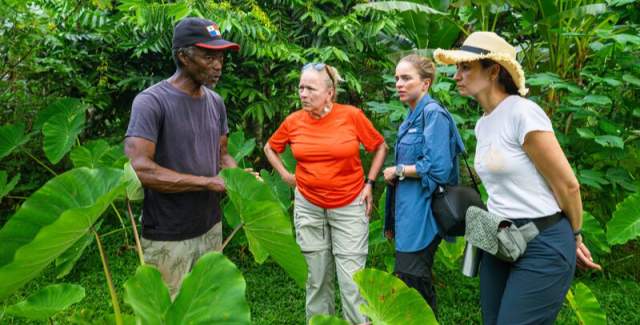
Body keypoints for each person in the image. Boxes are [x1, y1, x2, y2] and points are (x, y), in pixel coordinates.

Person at [434, 31, 602, 324]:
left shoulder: (523, 113)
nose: (457, 75)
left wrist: (574, 235)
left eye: (465, 67)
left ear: (494, 70)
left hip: (542, 242)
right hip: (500, 238)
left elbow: (568, 185)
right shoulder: (483, 124)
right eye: (456, 68)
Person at [124, 17, 240, 297]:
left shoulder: (215, 102)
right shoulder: (151, 102)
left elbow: (222, 156)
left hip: (210, 225)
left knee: (207, 308)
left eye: (221, 56)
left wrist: (239, 179)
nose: (218, 64)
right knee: (170, 312)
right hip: (168, 232)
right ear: (183, 57)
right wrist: (208, 183)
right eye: (208, 56)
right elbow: (141, 169)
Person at [264, 63, 387, 324]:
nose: (303, 94)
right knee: (316, 280)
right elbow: (270, 148)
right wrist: (286, 175)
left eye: (310, 88)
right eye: (301, 88)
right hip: (309, 206)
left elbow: (379, 147)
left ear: (329, 92)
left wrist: (370, 183)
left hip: (349, 205)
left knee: (353, 283)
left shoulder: (351, 116)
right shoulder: (293, 121)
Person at [382, 54, 465, 315]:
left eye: (406, 78)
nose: (399, 83)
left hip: (424, 214)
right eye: (397, 78)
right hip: (408, 214)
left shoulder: (433, 115)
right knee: (410, 281)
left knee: (412, 283)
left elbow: (439, 168)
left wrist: (398, 170)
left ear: (426, 84)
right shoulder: (411, 117)